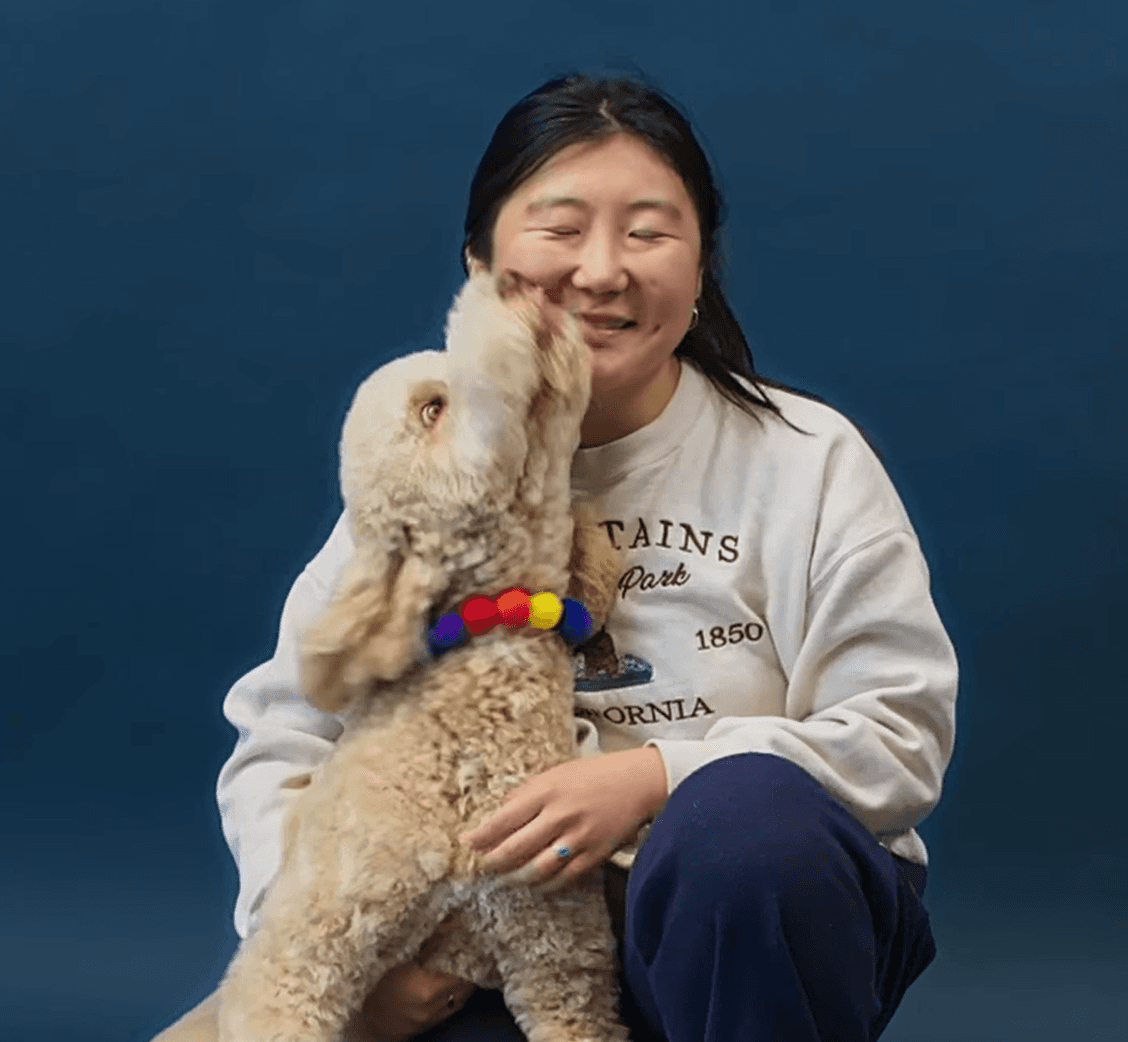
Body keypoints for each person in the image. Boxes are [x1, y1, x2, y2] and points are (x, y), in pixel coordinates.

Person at [152, 73, 957, 1042]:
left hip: (749, 921)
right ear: (481, 266)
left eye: (649, 231)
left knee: (746, 834)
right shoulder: (430, 473)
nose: (603, 271)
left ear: (701, 266)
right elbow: (282, 738)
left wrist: (657, 778)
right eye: (561, 228)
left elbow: (899, 734)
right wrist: (342, 954)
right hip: (507, 951)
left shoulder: (806, 461)